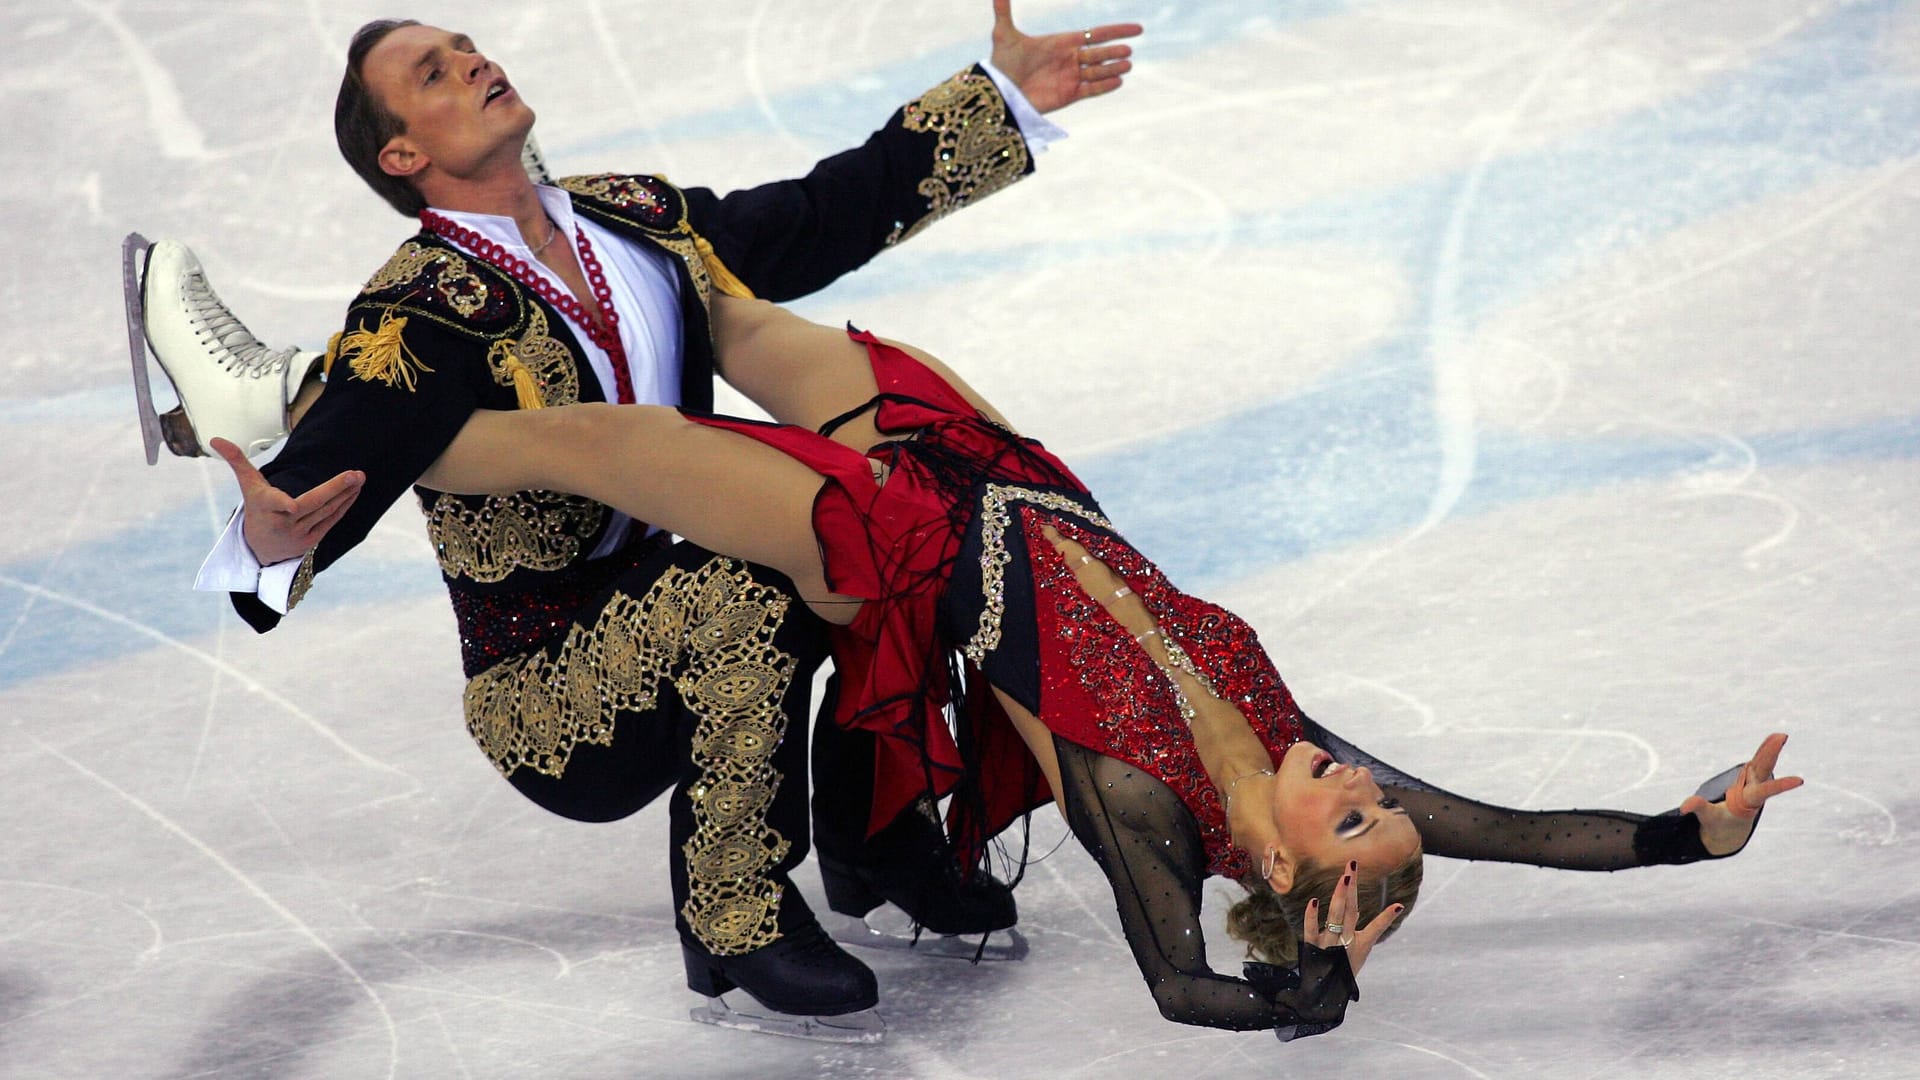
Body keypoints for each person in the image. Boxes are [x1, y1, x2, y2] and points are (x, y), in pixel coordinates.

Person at [227, 293, 1803, 1039]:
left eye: (1352, 816)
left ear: (1293, 872)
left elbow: (1184, 985)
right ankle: (446, 318)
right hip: (1007, 468)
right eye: (1385, 800)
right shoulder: (1291, 743)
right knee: (694, 286)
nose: (1369, 778)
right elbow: (1523, 832)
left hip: (910, 548)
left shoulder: (1145, 811)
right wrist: (1691, 831)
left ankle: (274, 416)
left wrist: (1306, 990)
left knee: (607, 442)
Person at [155, 6, 1143, 1041]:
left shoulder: (635, 218)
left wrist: (1006, 98)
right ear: (402, 153)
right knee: (757, 580)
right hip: (545, 690)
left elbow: (815, 215)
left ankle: (876, 833)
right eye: (435, 75)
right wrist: (270, 538)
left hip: (679, 594)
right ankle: (732, 913)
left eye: (467, 49)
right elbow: (323, 475)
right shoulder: (419, 314)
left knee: (891, 512)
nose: (474, 63)